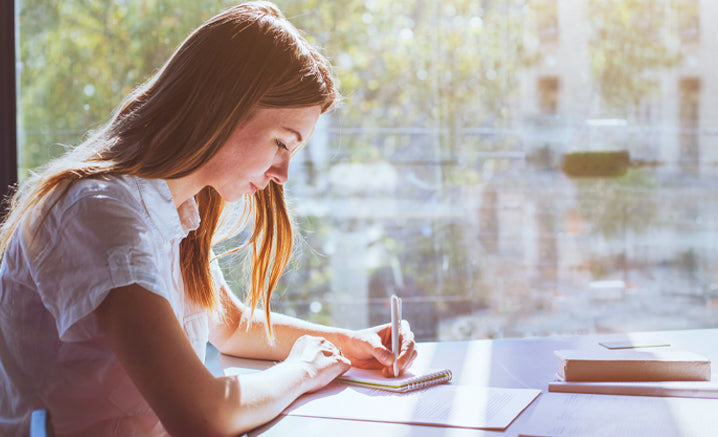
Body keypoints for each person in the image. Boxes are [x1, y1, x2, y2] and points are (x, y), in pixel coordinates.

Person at [0, 2, 417, 436]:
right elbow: (203, 416)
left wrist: (349, 344)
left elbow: (232, 327)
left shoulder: (174, 210)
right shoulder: (100, 214)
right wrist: (303, 371)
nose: (282, 175)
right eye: (280, 142)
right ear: (221, 109)